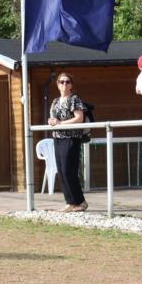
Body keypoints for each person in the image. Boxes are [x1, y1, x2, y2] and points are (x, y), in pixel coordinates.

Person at [47, 72, 88, 212]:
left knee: (68, 169)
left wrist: (60, 123)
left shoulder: (74, 99)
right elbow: (53, 119)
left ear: (71, 85)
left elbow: (79, 118)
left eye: (67, 82)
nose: (65, 84)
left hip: (71, 138)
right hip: (58, 138)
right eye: (62, 82)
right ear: (57, 84)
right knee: (61, 170)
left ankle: (80, 201)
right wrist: (53, 122)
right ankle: (70, 202)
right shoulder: (55, 101)